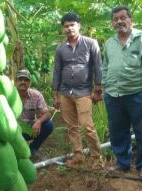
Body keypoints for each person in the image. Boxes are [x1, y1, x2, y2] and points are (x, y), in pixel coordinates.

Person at [102, 6, 142, 178]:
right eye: (115, 19)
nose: (119, 21)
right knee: (117, 131)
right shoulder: (109, 43)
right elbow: (105, 66)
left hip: (137, 94)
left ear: (131, 19)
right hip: (113, 95)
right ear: (112, 23)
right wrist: (106, 85)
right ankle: (122, 163)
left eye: (123, 17)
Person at [52, 13, 103, 170]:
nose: (69, 28)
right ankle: (78, 156)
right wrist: (55, 95)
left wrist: (98, 89)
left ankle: (97, 159)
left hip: (84, 92)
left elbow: (98, 67)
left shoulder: (90, 43)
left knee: (87, 126)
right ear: (63, 28)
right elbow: (57, 71)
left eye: (72, 25)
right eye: (66, 26)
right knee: (72, 127)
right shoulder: (60, 49)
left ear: (78, 25)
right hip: (65, 92)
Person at [15, 69, 54, 157]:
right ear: (15, 81)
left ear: (30, 83)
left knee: (49, 125)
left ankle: (33, 148)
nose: (23, 82)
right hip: (13, 130)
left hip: (30, 129)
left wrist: (38, 121)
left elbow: (47, 113)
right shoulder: (9, 94)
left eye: (26, 80)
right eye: (20, 79)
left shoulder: (36, 95)